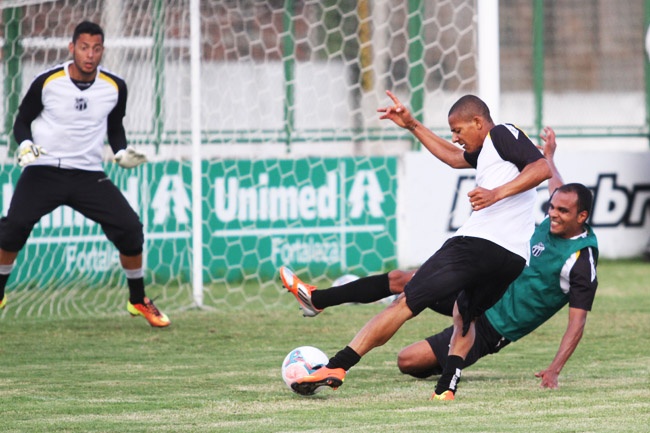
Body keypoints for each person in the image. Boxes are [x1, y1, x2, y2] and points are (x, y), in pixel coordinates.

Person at [281, 127, 599, 390]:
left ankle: (448, 374)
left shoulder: (580, 260)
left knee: (408, 361)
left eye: (562, 211)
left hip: (493, 326)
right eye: (552, 207)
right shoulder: (555, 214)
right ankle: (318, 299)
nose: (552, 214)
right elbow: (555, 184)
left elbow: (577, 324)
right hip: (485, 283)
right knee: (402, 280)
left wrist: (554, 369)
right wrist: (550, 156)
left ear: (581, 217)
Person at [0, 21, 170, 328]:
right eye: (84, 48)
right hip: (43, 170)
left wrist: (121, 152)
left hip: (88, 174)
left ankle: (137, 299)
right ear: (72, 48)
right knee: (13, 228)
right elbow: (21, 121)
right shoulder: (48, 81)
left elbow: (115, 128)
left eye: (96, 48)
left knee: (131, 229)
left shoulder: (115, 87)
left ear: (102, 50)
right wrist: (25, 144)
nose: (90, 55)